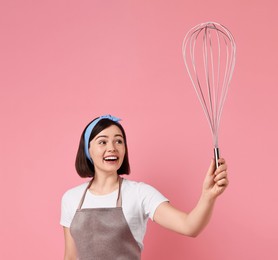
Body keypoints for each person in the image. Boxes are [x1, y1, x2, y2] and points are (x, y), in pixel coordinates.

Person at [60, 114, 229, 260]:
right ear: (88, 150)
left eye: (119, 141)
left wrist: (208, 195)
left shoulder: (140, 193)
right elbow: (70, 257)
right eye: (102, 142)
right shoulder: (71, 198)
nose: (112, 148)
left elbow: (189, 226)